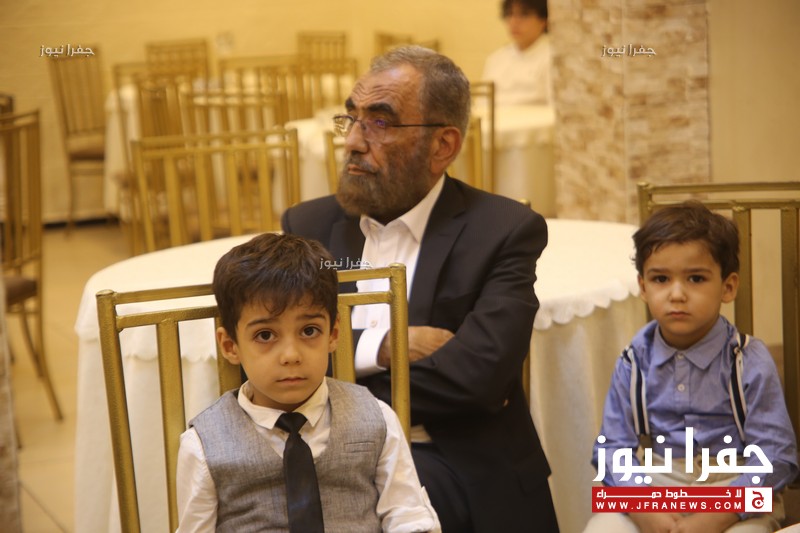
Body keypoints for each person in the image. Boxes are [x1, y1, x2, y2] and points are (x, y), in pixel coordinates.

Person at [281, 46, 557, 532]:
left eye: (380, 122)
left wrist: (329, 389)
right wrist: (382, 347)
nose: (353, 142)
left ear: (442, 146)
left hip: (449, 457)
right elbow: (273, 357)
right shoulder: (309, 226)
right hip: (329, 456)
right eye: (351, 118)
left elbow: (477, 378)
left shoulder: (503, 230)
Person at [174, 232, 440, 532]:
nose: (291, 355)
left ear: (333, 334)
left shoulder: (377, 418)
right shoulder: (203, 444)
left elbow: (407, 515)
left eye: (309, 331)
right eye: (265, 335)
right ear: (230, 345)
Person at [585, 202, 798, 533]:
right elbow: (612, 450)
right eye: (661, 279)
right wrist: (643, 509)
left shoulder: (749, 360)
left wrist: (720, 514)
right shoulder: (633, 361)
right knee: (602, 529)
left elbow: (776, 456)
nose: (677, 294)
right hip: (655, 482)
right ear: (643, 287)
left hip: (733, 484)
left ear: (728, 287)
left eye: (696, 278)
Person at [482, 0, 552, 106]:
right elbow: (483, 103)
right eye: (510, 14)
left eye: (524, 14)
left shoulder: (553, 58)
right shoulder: (496, 59)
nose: (514, 21)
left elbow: (555, 108)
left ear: (544, 21)